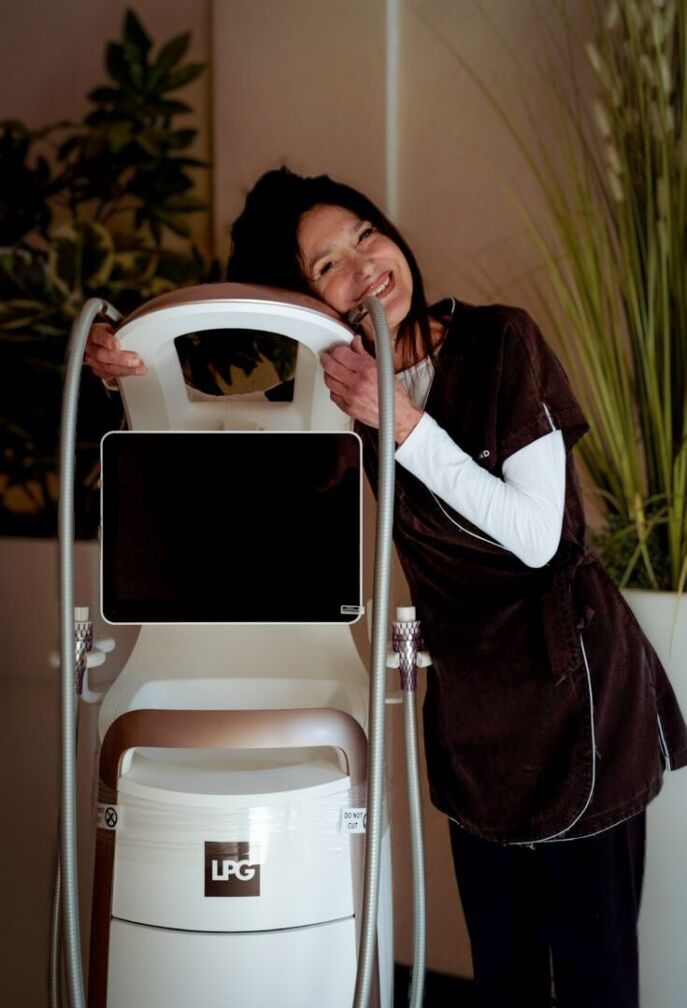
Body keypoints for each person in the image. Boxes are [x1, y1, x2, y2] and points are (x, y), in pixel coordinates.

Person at [85, 167, 687, 1008]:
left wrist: (403, 425)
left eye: (364, 233)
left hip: (576, 697)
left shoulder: (499, 341)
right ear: (303, 303)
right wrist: (124, 368)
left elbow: (537, 537)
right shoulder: (338, 393)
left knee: (595, 982)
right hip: (475, 716)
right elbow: (223, 431)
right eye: (327, 263)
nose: (364, 265)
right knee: (503, 978)